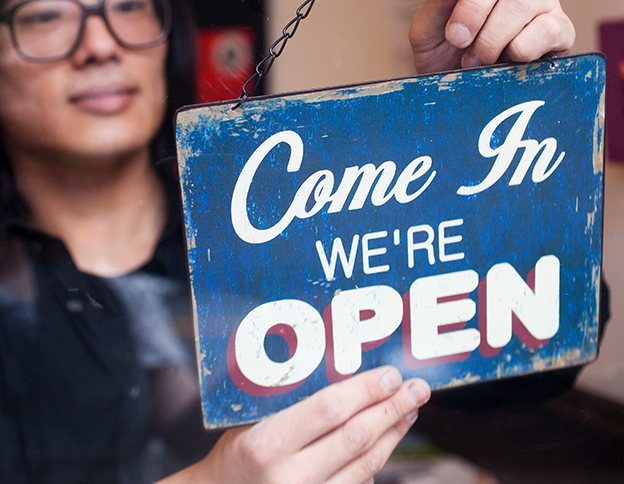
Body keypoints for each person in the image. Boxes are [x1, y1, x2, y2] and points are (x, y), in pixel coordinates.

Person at [0, 1, 576, 483]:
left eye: (127, 7)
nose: (99, 44)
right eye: (43, 17)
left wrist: (467, 117)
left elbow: (541, 353)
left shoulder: (284, 221)